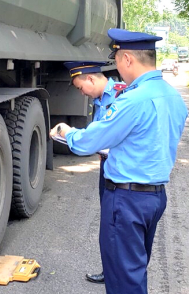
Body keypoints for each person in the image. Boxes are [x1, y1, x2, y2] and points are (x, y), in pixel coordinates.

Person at [51, 28, 188, 294]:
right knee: (134, 272)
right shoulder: (174, 97)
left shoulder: (132, 100)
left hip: (127, 201)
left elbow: (90, 142)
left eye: (117, 60)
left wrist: (66, 132)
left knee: (124, 281)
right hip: (154, 198)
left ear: (127, 59)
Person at [63, 61, 126, 284]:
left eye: (81, 87)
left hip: (121, 171)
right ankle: (111, 271)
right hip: (106, 167)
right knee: (108, 223)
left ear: (91, 79)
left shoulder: (122, 96)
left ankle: (122, 275)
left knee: (118, 225)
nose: (82, 93)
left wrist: (70, 135)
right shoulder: (99, 99)